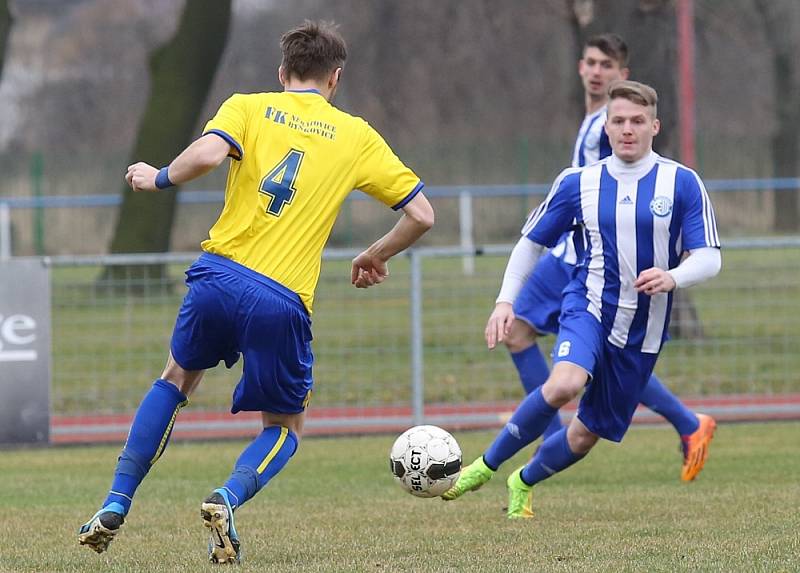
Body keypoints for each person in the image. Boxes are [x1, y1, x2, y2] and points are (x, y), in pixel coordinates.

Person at [78, 20, 434, 563]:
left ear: (282, 73)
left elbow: (204, 156)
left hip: (217, 276)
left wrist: (158, 178)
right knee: (286, 427)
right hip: (281, 298)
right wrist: (375, 254)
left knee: (175, 377)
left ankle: (115, 502)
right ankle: (227, 496)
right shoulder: (356, 134)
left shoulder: (247, 106)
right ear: (335, 79)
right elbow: (421, 215)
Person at [442, 80, 721, 519]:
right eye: (618, 121)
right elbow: (530, 245)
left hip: (642, 331)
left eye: (637, 121)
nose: (627, 129)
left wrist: (673, 276)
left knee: (585, 435)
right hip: (587, 306)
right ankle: (484, 466)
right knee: (564, 384)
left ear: (655, 126)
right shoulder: (578, 183)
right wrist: (504, 302)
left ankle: (523, 480)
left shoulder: (682, 183)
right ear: (606, 127)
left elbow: (709, 258)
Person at [503, 34, 715, 481]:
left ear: (624, 74)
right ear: (580, 67)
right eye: (591, 63)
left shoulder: (617, 123)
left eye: (608, 65)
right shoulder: (592, 121)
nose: (598, 72)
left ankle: (548, 431)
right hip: (574, 254)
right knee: (552, 340)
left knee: (553, 339)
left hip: (579, 259)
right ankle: (684, 422)